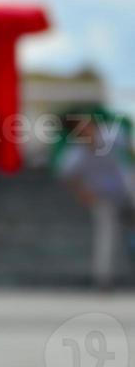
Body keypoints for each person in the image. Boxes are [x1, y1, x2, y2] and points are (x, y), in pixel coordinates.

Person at [53, 109, 135, 289]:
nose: (87, 130)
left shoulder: (110, 136)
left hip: (127, 187)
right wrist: (83, 194)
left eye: (87, 124)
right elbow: (69, 177)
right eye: (80, 129)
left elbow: (129, 148)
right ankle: (103, 280)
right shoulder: (75, 155)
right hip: (103, 196)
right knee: (106, 233)